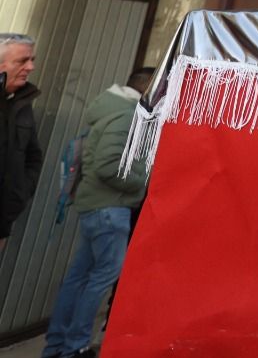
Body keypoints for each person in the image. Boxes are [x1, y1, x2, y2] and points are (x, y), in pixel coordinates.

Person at [41, 67, 157, 358]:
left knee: (79, 278)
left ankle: (57, 346)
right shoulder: (128, 115)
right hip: (111, 208)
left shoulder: (110, 109)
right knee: (101, 278)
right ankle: (75, 347)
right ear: (148, 88)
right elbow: (108, 165)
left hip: (97, 207)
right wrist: (144, 181)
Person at [1, 33, 43, 254]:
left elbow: (33, 156)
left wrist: (19, 194)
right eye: (22, 61)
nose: (30, 67)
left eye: (32, 60)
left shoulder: (20, 104)